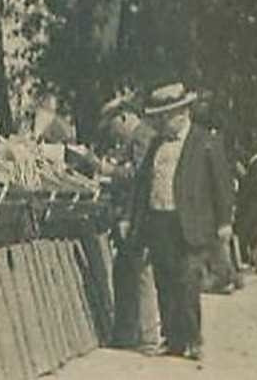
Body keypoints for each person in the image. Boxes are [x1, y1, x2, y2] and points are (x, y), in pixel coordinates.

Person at [131, 82, 234, 362]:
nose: (164, 122)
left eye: (168, 116)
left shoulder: (205, 141)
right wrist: (139, 220)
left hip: (191, 222)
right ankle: (173, 338)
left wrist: (224, 221)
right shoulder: (157, 145)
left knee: (188, 279)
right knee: (164, 279)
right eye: (161, 117)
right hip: (160, 220)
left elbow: (222, 184)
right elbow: (144, 184)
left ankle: (193, 338)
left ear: (183, 113)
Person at [98, 97, 163, 356]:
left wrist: (107, 170)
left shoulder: (141, 137)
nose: (113, 132)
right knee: (126, 270)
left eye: (113, 126)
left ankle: (147, 335)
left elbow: (137, 178)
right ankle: (129, 332)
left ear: (124, 117)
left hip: (136, 216)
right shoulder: (139, 137)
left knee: (140, 273)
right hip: (131, 215)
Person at [233, 152, 257, 273]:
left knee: (246, 234)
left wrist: (238, 204)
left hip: (250, 211)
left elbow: (244, 194)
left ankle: (249, 259)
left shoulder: (249, 177)